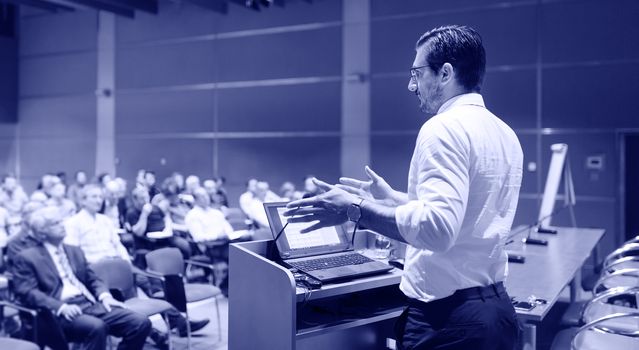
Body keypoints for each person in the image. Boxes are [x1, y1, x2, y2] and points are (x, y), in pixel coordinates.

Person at [285, 25, 522, 350]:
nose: (411, 85)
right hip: (496, 313)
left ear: (445, 73)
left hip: (451, 321)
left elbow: (439, 231)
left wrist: (354, 210)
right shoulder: (504, 133)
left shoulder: (443, 128)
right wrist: (395, 200)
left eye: (417, 72)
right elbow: (466, 213)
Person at [12, 206, 152, 350]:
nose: (62, 226)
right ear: (42, 232)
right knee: (96, 327)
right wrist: (60, 307)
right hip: (57, 312)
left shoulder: (74, 250)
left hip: (89, 303)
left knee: (140, 322)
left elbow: (92, 278)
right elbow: (27, 292)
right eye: (55, 223)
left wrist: (105, 296)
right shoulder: (27, 257)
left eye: (61, 221)